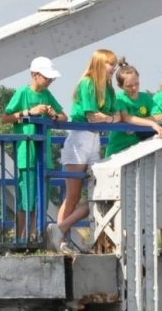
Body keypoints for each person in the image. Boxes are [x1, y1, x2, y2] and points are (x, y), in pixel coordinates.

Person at [49, 50, 116, 251]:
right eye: (109, 64)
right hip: (79, 138)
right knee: (74, 195)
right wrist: (109, 118)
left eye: (113, 64)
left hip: (95, 139)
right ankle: (60, 240)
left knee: (102, 193)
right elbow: (91, 115)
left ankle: (60, 229)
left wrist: (108, 118)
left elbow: (113, 114)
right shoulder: (88, 83)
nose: (113, 68)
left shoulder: (109, 88)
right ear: (99, 64)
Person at [0, 57, 66, 247]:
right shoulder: (22, 93)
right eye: (47, 77)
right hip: (26, 156)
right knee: (25, 201)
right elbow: (5, 117)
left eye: (51, 78)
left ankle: (33, 239)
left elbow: (64, 116)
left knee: (40, 201)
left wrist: (54, 114)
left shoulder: (47, 94)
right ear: (34, 75)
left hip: (43, 157)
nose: (49, 81)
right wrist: (29, 112)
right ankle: (20, 240)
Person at [104, 62, 162, 160]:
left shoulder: (145, 97)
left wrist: (137, 125)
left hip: (139, 150)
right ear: (120, 86)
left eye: (136, 83)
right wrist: (151, 123)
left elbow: (160, 116)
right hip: (117, 150)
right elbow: (126, 117)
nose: (134, 88)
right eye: (129, 86)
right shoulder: (118, 98)